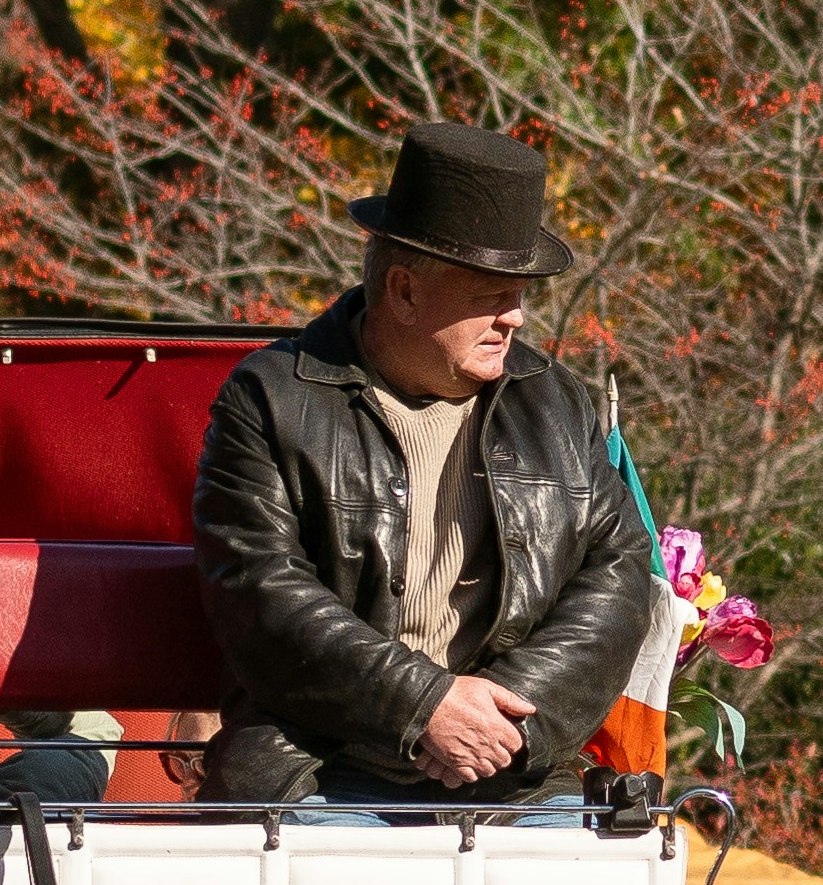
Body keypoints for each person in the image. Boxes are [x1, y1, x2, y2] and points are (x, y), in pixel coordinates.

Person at [189, 116, 655, 807]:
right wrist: (427, 707)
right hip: (315, 769)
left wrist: (507, 721)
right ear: (404, 291)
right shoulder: (270, 399)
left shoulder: (557, 405)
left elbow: (618, 573)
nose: (516, 318)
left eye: (520, 296)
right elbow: (259, 592)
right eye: (491, 298)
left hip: (511, 775)